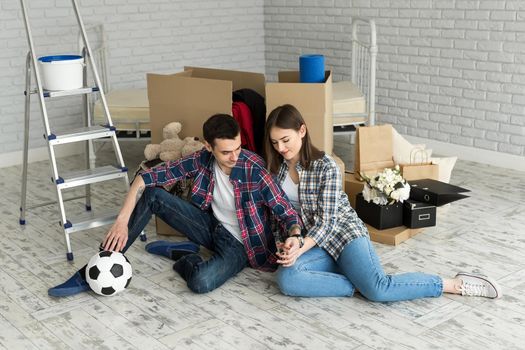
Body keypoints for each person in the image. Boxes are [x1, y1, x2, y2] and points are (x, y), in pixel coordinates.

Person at [264, 104, 502, 301]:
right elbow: (286, 214)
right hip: (312, 242)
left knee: (379, 289)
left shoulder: (326, 166)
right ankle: (359, 284)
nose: (281, 148)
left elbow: (327, 223)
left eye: (285, 140)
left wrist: (301, 246)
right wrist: (293, 239)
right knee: (287, 278)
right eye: (275, 143)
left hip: (343, 235)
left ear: (302, 131)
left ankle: (453, 283)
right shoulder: (277, 170)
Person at [49, 114, 302, 297]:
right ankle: (91, 271)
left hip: (241, 245)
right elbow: (144, 177)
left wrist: (295, 236)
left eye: (238, 148)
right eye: (226, 152)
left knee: (200, 283)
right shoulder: (201, 159)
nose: (234, 157)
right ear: (208, 146)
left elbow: (287, 212)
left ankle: (185, 257)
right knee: (154, 196)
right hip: (211, 228)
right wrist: (122, 220)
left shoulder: (253, 169)